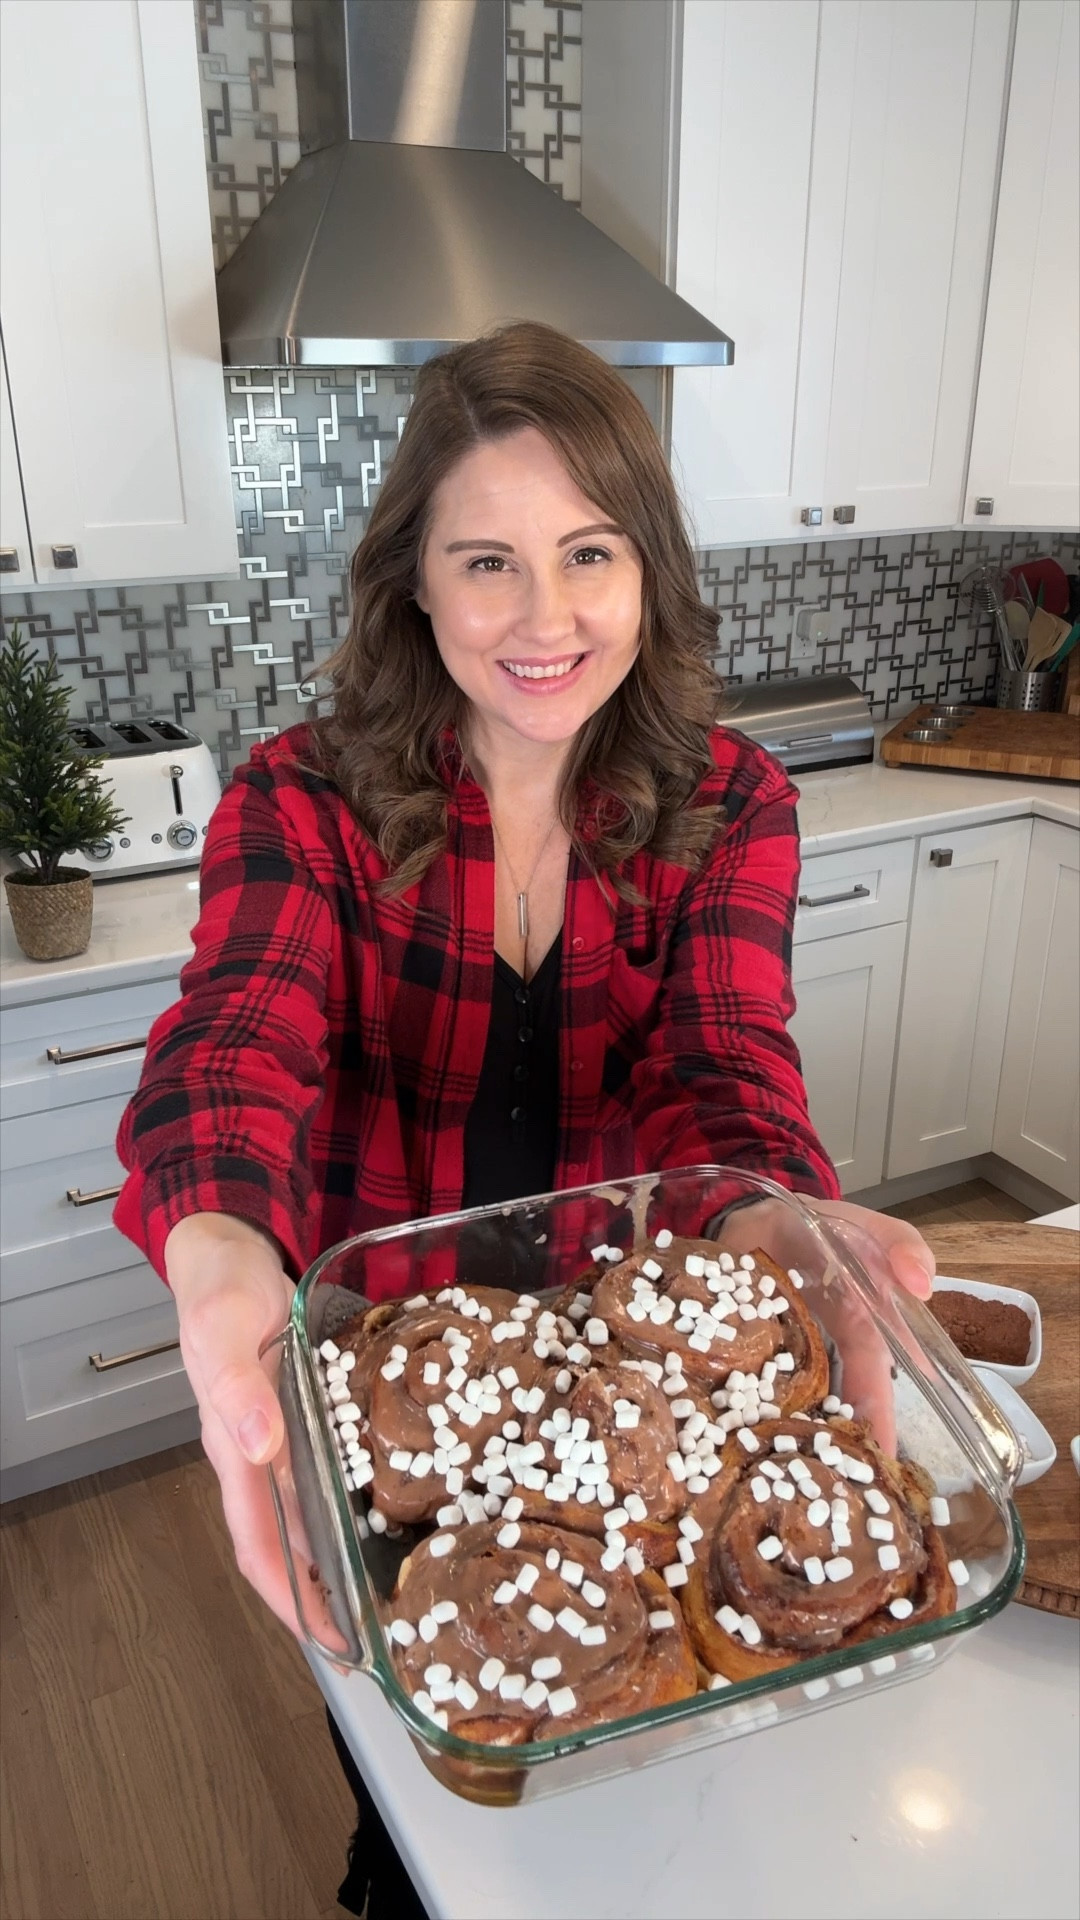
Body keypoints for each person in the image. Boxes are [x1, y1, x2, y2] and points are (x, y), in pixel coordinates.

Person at [114, 321, 935, 1917]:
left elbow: (723, 1060)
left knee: (630, 1784)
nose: (545, 617)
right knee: (424, 1760)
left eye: (589, 554)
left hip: (630, 1405)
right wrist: (219, 1249)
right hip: (395, 1404)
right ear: (413, 584)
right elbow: (236, 1042)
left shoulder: (732, 801)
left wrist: (773, 1203)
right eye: (485, 560)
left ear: (648, 571)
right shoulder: (302, 803)